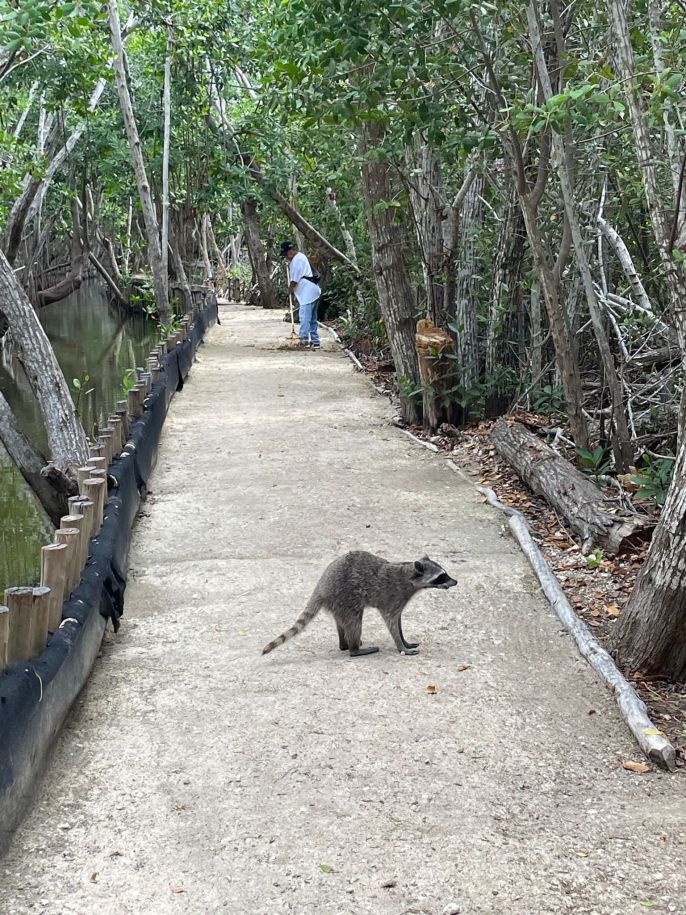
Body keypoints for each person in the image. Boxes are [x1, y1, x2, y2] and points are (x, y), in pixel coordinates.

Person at [280, 240, 321, 350]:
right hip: (312, 291)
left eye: (287, 254)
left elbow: (295, 280)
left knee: (305, 317)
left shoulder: (297, 260)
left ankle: (303, 340)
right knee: (312, 318)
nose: (286, 257)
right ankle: (315, 341)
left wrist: (290, 289)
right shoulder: (300, 257)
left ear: (292, 250)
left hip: (308, 293)